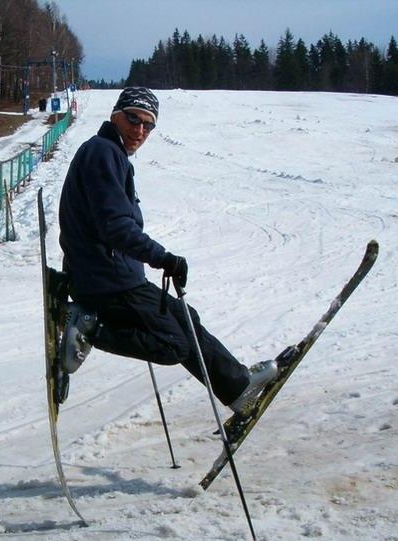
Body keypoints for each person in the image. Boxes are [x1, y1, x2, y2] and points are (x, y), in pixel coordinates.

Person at [57, 87, 276, 415]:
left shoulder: (113, 155)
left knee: (186, 318)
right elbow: (115, 227)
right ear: (116, 114)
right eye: (133, 119)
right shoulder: (103, 153)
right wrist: (163, 258)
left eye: (148, 125)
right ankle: (90, 326)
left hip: (113, 275)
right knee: (175, 344)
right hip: (108, 281)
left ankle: (237, 386)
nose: (140, 130)